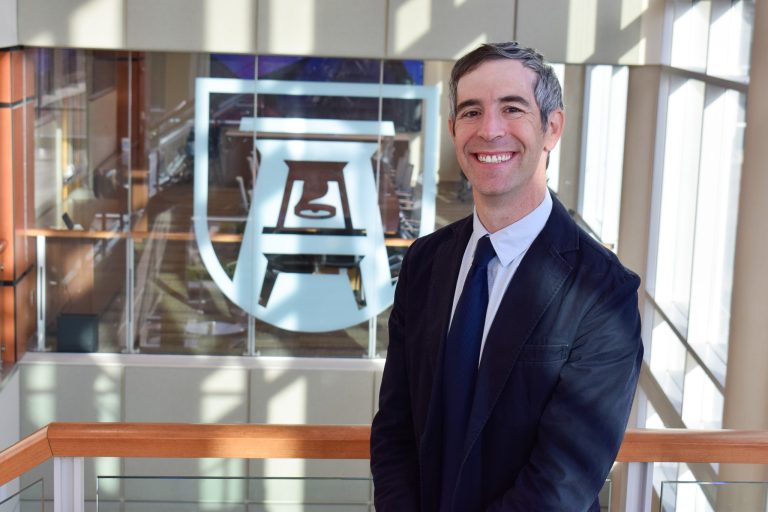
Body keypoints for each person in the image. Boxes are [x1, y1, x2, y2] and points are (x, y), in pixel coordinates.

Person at [370, 42, 643, 512]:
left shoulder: (603, 291)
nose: (489, 130)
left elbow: (563, 481)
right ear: (454, 131)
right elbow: (395, 427)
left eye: (512, 109)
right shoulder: (424, 263)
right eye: (471, 112)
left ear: (551, 127)